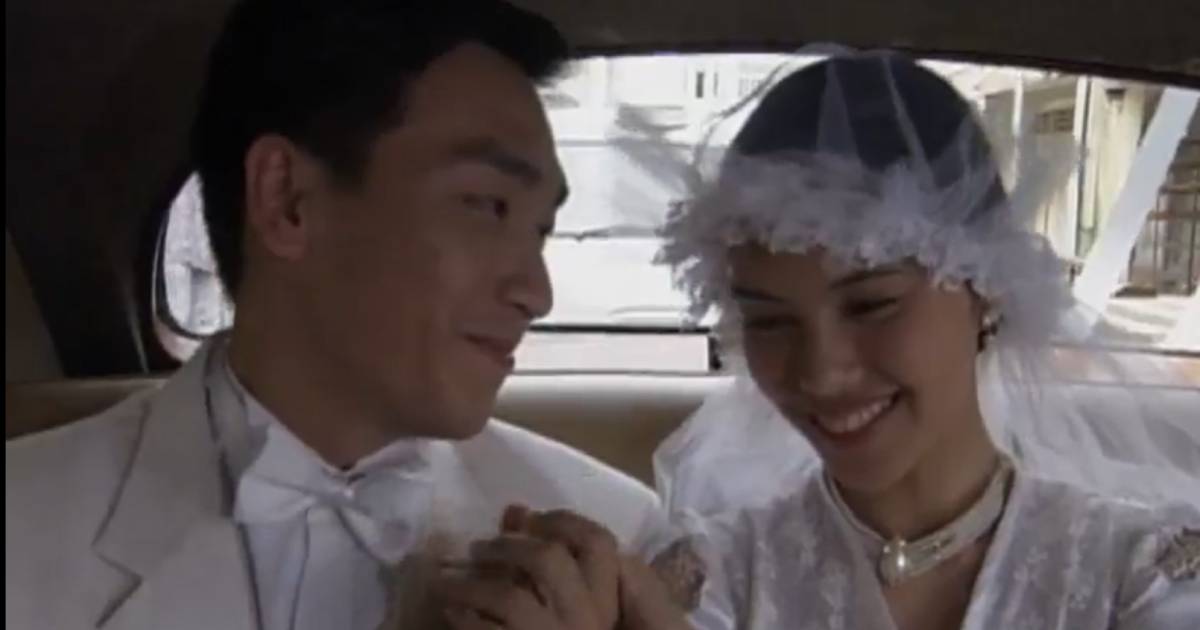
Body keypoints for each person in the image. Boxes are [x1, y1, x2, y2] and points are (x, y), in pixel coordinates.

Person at [4, 2, 668, 629]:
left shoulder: (616, 540)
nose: (536, 292)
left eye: (540, 230)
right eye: (487, 206)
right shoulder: (22, 525)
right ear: (287, 200)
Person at [645, 49, 1200, 629]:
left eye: (871, 305)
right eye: (769, 321)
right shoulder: (714, 582)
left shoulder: (1139, 575)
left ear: (985, 290)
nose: (821, 374)